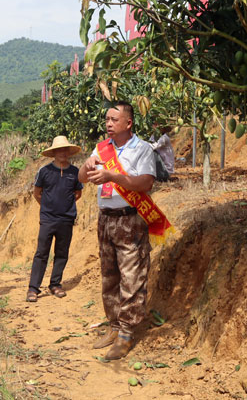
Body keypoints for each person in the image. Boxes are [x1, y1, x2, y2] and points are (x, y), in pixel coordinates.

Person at [78, 101, 173, 360]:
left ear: (128, 123)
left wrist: (113, 177)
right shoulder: (101, 148)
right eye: (107, 119)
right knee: (110, 276)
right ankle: (114, 325)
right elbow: (81, 179)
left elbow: (145, 183)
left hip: (130, 219)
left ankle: (127, 334)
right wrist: (86, 167)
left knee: (132, 276)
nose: (108, 123)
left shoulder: (142, 149)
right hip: (105, 219)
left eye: (114, 119)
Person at [26, 136, 83, 303]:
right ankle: (33, 288)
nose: (62, 153)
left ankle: (55, 284)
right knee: (41, 253)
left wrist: (65, 206)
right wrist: (48, 207)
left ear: (69, 152)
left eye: (65, 150)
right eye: (59, 150)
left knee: (62, 253)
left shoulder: (75, 172)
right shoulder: (44, 171)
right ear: (54, 153)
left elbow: (78, 193)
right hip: (48, 219)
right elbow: (37, 193)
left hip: (67, 219)